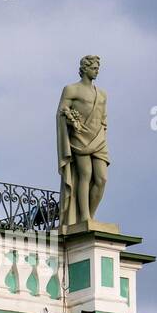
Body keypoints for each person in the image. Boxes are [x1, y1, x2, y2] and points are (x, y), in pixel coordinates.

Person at [56, 55, 109, 225]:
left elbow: (104, 117)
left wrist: (103, 129)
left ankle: (90, 215)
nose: (96, 71)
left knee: (101, 179)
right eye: (93, 68)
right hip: (80, 137)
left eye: (98, 68)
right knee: (85, 175)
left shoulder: (102, 94)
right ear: (84, 69)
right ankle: (84, 217)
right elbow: (62, 110)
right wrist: (71, 119)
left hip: (98, 138)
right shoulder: (71, 89)